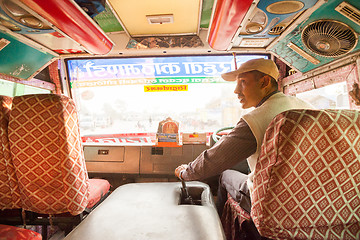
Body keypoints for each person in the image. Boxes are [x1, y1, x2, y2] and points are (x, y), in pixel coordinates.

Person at [174, 58, 314, 216]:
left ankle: (220, 228)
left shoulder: (255, 119)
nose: (236, 90)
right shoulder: (305, 106)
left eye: (242, 82)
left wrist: (186, 172)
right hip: (308, 197)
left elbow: (214, 160)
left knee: (225, 175)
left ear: (264, 82)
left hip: (270, 201)